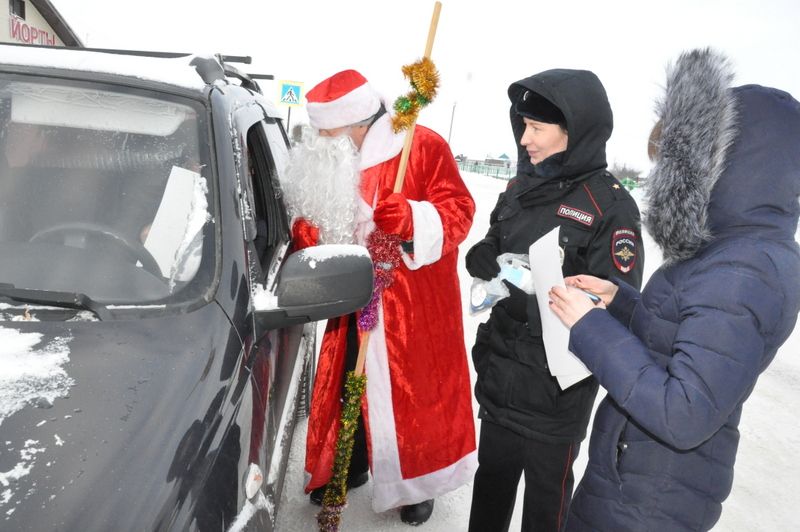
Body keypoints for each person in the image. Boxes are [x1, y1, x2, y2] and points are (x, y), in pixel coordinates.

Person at [547, 48, 800, 531]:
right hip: (638, 479)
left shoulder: (748, 269)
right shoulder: (729, 248)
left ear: (734, 164)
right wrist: (619, 301)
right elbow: (687, 334)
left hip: (652, 501)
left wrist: (590, 326)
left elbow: (683, 412)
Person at [286, 69, 477, 526]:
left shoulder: (422, 146)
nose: (318, 138)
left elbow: (460, 212)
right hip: (352, 298)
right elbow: (315, 219)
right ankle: (349, 466)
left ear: (350, 122)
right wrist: (309, 233)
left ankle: (417, 483)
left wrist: (412, 218)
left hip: (411, 308)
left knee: (412, 398)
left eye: (324, 130)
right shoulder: (334, 160)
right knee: (350, 379)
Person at [465, 69, 644, 531]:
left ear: (574, 132)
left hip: (555, 393)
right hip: (502, 375)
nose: (525, 138)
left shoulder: (611, 206)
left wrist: (547, 294)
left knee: (546, 511)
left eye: (537, 128)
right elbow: (494, 239)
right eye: (522, 125)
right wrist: (484, 255)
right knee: (489, 494)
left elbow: (618, 307)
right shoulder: (518, 188)